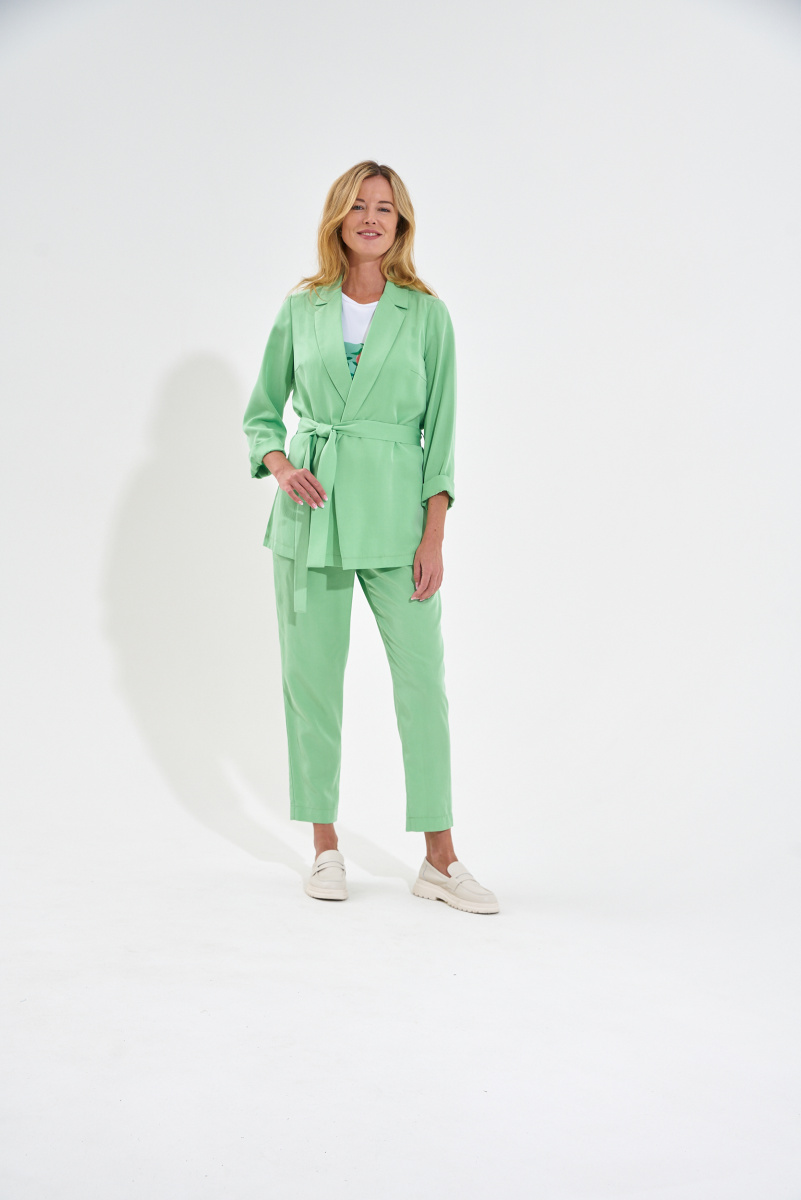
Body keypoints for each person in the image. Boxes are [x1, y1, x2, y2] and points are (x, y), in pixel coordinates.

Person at [242, 160, 499, 915]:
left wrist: (434, 537)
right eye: (358, 205)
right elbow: (262, 412)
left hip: (396, 520)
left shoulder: (427, 315)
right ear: (338, 218)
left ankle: (440, 858)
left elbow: (440, 436)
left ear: (401, 222)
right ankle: (324, 846)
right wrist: (281, 465)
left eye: (384, 207)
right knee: (311, 684)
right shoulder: (302, 308)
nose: (371, 218)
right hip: (312, 517)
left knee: (422, 685)